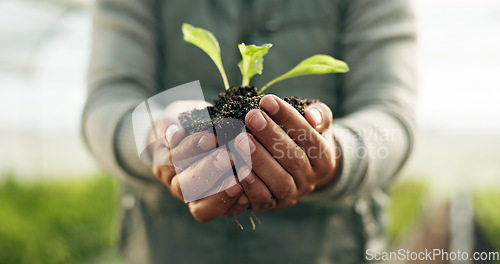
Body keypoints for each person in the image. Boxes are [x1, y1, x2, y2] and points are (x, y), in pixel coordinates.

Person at [82, 0, 417, 263]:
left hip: (328, 252)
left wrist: (335, 152)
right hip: (166, 249)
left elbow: (392, 119)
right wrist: (156, 138)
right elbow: (106, 104)